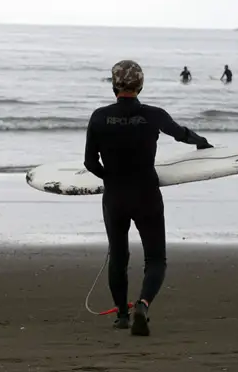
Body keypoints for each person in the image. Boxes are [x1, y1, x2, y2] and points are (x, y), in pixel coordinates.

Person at [84, 60, 212, 336]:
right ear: (140, 85)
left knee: (118, 256)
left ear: (113, 85)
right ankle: (142, 304)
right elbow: (182, 135)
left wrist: (110, 178)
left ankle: (121, 316)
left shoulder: (98, 117)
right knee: (155, 259)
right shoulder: (154, 115)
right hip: (147, 194)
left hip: (115, 196)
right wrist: (203, 143)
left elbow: (90, 163)